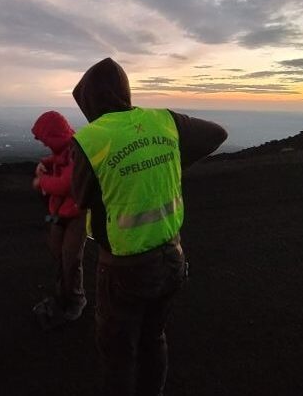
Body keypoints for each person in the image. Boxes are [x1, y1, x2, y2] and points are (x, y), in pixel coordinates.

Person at [71, 58, 228, 396]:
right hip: (172, 256)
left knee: (118, 354)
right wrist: (172, 157)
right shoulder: (164, 122)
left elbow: (81, 198)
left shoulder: (91, 138)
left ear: (90, 101)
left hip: (122, 269)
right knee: (153, 338)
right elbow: (217, 134)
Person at [31, 111, 87, 328]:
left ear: (54, 135)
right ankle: (64, 297)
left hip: (77, 215)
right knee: (59, 256)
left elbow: (66, 184)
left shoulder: (76, 151)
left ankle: (75, 301)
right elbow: (56, 158)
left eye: (46, 140)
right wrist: (43, 163)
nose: (45, 145)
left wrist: (42, 181)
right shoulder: (66, 149)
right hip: (60, 213)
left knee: (70, 259)